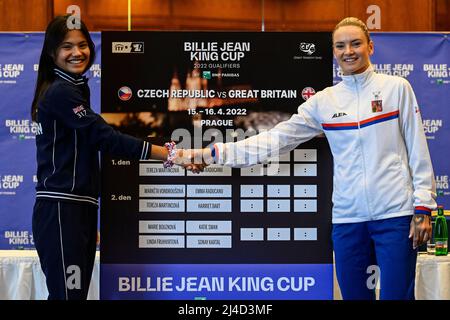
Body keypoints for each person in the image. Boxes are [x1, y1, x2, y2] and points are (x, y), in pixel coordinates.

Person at [188, 17, 436, 300]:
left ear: (370, 46)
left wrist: (423, 206)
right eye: (340, 46)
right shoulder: (324, 101)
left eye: (356, 43)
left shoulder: (397, 88)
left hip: (395, 215)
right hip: (347, 219)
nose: (348, 51)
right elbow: (274, 140)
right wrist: (213, 154)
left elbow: (418, 147)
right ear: (334, 51)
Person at [30, 15, 197, 300]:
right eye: (67, 47)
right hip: (62, 209)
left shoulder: (73, 88)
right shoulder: (61, 92)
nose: (77, 53)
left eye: (82, 45)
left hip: (77, 209)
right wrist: (171, 154)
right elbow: (105, 138)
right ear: (51, 52)